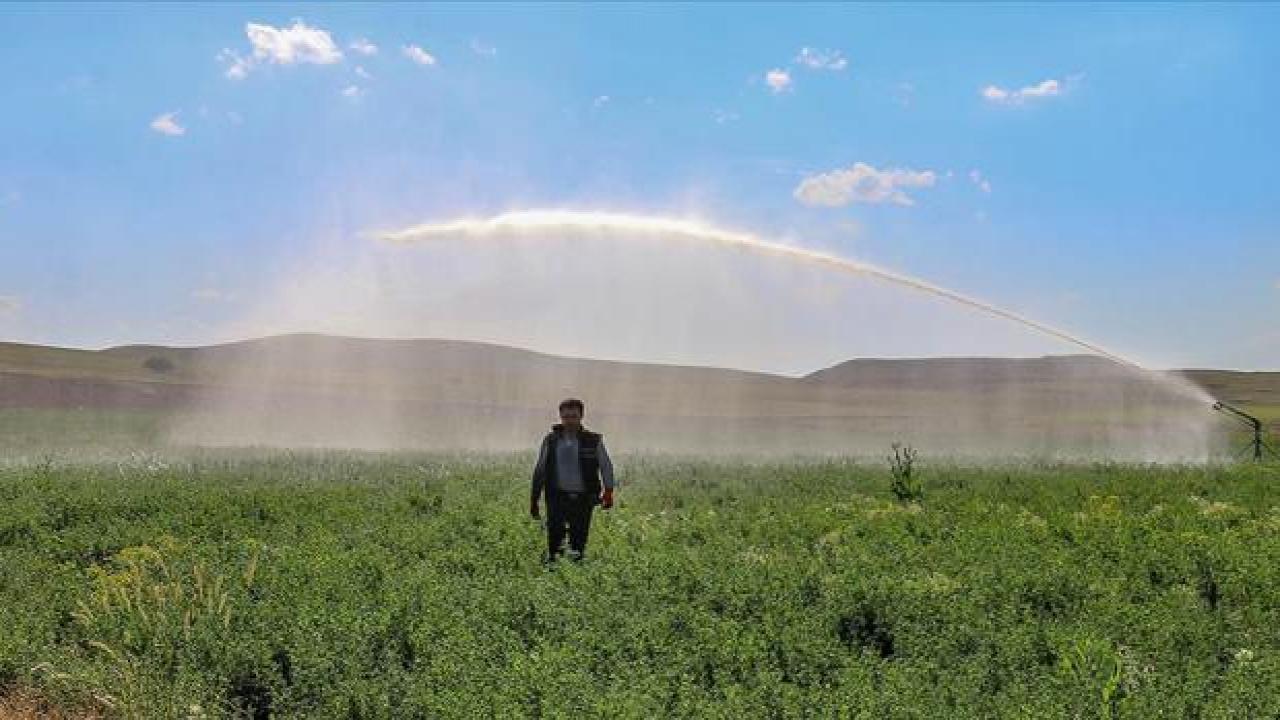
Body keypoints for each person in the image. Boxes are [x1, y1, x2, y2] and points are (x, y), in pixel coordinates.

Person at [530, 398, 616, 562]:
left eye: (573, 416)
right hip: (556, 497)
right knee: (555, 541)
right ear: (560, 417)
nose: (569, 421)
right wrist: (534, 499)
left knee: (578, 542)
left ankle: (575, 574)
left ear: (581, 416)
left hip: (584, 499)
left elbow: (606, 466)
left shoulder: (593, 440)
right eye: (566, 417)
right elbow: (540, 470)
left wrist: (609, 491)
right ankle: (554, 571)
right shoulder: (551, 440)